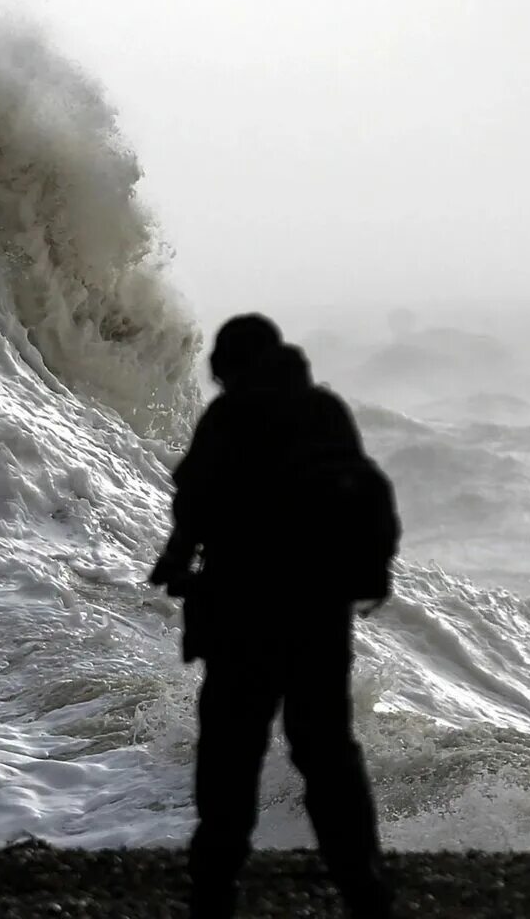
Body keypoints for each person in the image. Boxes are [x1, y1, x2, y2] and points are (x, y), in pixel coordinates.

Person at [150, 314, 394, 919]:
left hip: (243, 616)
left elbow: (196, 503)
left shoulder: (230, 416)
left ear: (231, 364)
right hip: (319, 615)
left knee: (231, 758)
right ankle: (363, 888)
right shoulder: (324, 410)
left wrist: (177, 562)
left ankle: (215, 893)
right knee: (328, 754)